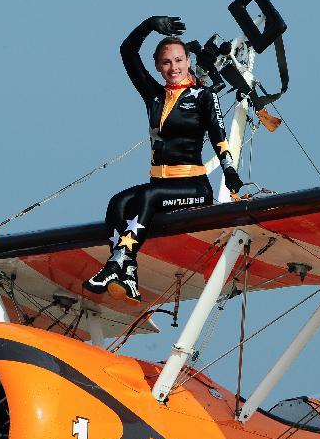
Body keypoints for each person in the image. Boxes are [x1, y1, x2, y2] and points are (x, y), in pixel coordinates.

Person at [83, 16, 244, 304]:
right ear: (158, 66)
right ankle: (128, 272)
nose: (174, 68)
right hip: (160, 183)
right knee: (117, 204)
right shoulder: (154, 95)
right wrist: (148, 25)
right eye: (167, 62)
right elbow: (127, 52)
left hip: (193, 188)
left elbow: (220, 136)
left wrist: (229, 170)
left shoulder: (203, 96)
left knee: (149, 197)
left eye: (179, 60)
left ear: (188, 60)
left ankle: (116, 263)